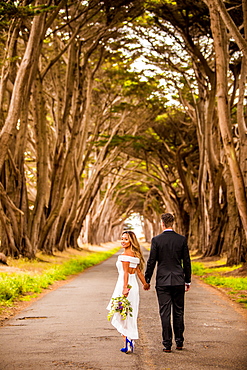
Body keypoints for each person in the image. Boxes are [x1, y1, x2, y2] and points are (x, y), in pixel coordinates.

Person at [145, 213, 191, 353]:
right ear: (173, 223)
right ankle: (179, 342)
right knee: (178, 312)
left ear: (162, 224)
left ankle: (166, 344)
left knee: (165, 313)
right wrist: (187, 280)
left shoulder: (157, 240)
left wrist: (147, 279)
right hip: (178, 280)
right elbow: (187, 262)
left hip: (163, 282)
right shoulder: (181, 239)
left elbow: (151, 261)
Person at [107, 230, 149, 353]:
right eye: (122, 238)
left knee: (121, 312)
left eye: (126, 239)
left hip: (124, 285)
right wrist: (145, 284)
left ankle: (128, 341)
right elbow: (139, 272)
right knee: (130, 312)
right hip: (134, 285)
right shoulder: (136, 256)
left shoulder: (124, 256)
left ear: (131, 241)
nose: (123, 241)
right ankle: (129, 341)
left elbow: (125, 273)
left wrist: (125, 288)